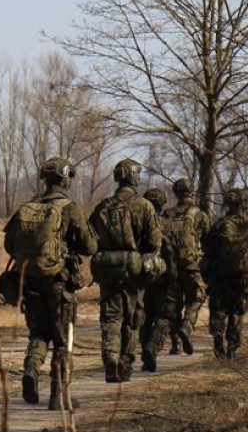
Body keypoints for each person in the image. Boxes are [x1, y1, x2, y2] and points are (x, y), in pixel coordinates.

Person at [4, 157, 97, 410]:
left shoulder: (26, 208)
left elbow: (9, 245)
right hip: (60, 284)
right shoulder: (70, 208)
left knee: (39, 333)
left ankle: (31, 369)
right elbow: (90, 246)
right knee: (63, 339)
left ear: (45, 180)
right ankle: (59, 395)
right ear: (65, 180)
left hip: (30, 283)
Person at [89, 159, 161, 382]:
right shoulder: (144, 205)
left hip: (107, 269)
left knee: (110, 317)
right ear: (132, 177)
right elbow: (154, 241)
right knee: (132, 318)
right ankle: (125, 362)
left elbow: (90, 240)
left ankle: (110, 356)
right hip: (134, 271)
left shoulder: (103, 206)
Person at [203, 188, 248, 358]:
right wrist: (247, 258)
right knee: (237, 310)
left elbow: (207, 249)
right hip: (241, 276)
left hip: (219, 275)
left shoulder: (218, 225)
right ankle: (232, 347)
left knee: (218, 308)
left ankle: (218, 338)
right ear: (242, 204)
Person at [162, 178, 212, 355]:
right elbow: (208, 243)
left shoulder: (166, 214)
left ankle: (175, 343)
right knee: (197, 297)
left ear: (176, 193)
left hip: (170, 266)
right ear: (192, 192)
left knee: (174, 304)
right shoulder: (199, 215)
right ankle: (187, 326)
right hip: (192, 265)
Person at [139, 187, 177, 370]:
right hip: (163, 276)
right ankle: (152, 348)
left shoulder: (138, 223)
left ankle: (145, 353)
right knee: (166, 316)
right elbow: (175, 251)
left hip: (142, 274)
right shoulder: (167, 225)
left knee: (146, 316)